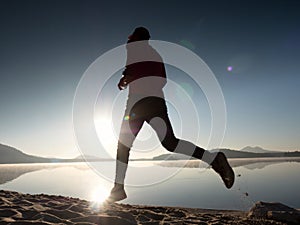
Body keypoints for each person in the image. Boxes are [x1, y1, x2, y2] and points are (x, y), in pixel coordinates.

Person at [107, 27, 234, 202]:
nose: (131, 43)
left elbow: (146, 74)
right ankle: (213, 159)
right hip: (154, 103)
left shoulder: (135, 49)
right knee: (170, 143)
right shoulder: (151, 54)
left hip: (140, 103)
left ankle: (118, 189)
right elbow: (153, 77)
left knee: (124, 145)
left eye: (133, 40)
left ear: (136, 39)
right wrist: (128, 78)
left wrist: (131, 79)